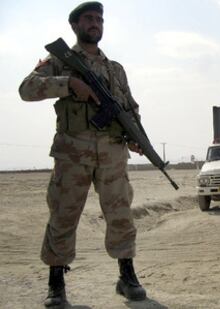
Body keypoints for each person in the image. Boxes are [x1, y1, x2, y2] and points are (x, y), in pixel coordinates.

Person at [18, 2, 147, 307]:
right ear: (75, 25)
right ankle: (56, 284)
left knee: (121, 214)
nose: (95, 23)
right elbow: (26, 88)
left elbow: (130, 107)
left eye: (99, 19)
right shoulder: (60, 61)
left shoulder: (115, 69)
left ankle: (126, 276)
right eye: (89, 19)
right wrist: (68, 84)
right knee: (63, 215)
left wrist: (136, 137)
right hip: (72, 152)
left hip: (112, 153)